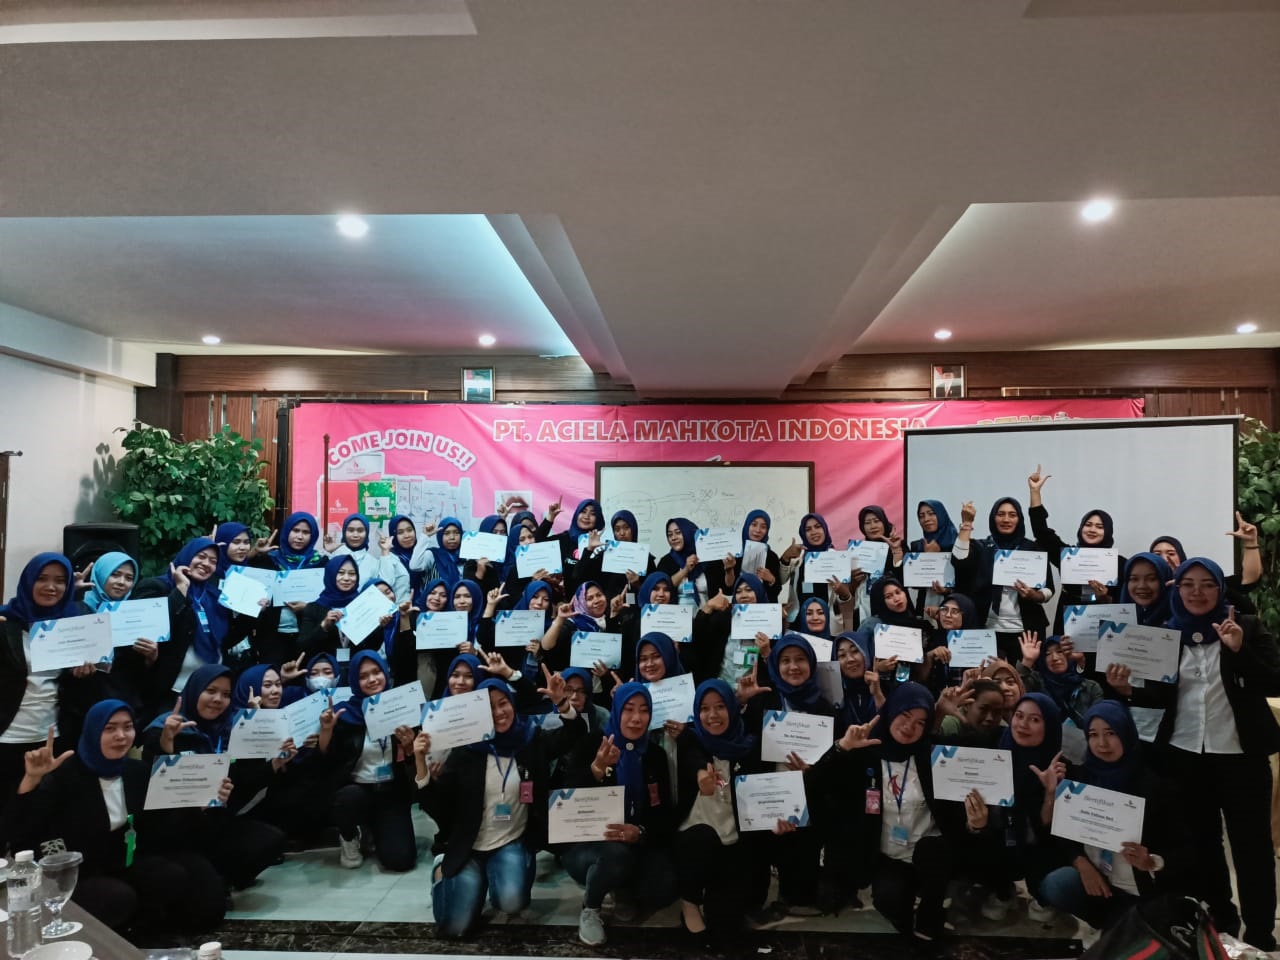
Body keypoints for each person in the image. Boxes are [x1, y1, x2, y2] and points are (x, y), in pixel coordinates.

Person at [1110, 557, 1280, 950]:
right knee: (1203, 846)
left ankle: (1260, 933)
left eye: (1207, 584)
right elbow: (1159, 695)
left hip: (1241, 757)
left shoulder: (1247, 627)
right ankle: (1222, 920)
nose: (1197, 592)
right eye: (1188, 584)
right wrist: (1127, 690)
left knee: (1252, 849)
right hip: (1185, 756)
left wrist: (1238, 649)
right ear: (1177, 589)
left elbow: (1274, 681)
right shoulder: (1166, 635)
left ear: (1220, 588)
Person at [4, 700, 227, 934]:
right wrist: (31, 780)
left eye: (127, 727)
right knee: (117, 897)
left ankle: (142, 930)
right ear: (92, 731)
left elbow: (161, 828)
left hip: (121, 860)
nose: (121, 736)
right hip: (76, 872)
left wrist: (198, 805)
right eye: (109, 729)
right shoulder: (65, 774)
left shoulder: (135, 772)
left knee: (170, 875)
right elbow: (17, 830)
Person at [421, 670, 586, 939]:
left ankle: (501, 872)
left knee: (511, 903)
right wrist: (421, 768)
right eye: (489, 707)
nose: (498, 712)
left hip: (511, 841)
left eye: (503, 703)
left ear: (512, 703)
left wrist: (561, 703)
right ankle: (443, 871)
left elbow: (576, 732)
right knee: (454, 928)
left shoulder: (529, 740)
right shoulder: (466, 750)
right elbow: (439, 808)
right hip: (471, 847)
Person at [1038, 701, 1191, 931]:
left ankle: (1120, 926)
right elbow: (1063, 833)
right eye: (1093, 734)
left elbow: (1186, 851)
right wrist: (1081, 863)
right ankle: (1108, 923)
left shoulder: (1154, 786)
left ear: (1126, 733)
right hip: (1098, 880)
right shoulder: (1082, 778)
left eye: (1111, 733)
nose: (1102, 743)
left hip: (1139, 890)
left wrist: (1151, 861)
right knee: (1057, 885)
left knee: (1132, 932)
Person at [820, 682, 955, 941]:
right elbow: (821, 787)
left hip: (928, 852)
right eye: (905, 715)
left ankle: (931, 909)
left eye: (920, 722)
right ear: (890, 711)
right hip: (888, 855)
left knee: (933, 851)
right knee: (889, 898)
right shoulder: (867, 752)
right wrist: (842, 748)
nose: (909, 727)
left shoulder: (934, 755)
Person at [139, 664, 288, 890]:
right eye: (210, 691)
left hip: (216, 824)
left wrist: (275, 764)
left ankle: (222, 878)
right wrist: (166, 744)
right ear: (194, 690)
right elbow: (155, 793)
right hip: (178, 833)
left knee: (270, 840)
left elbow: (242, 786)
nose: (218, 699)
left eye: (226, 694)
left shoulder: (228, 730)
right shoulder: (164, 729)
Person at [561, 682, 678, 946]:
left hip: (636, 842)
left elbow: (663, 813)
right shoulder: (593, 743)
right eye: (628, 709)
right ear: (616, 710)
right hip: (588, 845)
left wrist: (641, 832)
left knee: (663, 890)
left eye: (644, 710)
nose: (636, 718)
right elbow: (564, 801)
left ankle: (620, 886)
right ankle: (591, 908)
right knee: (616, 856)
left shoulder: (654, 755)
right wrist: (596, 769)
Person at [672, 678, 771, 939]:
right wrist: (699, 775)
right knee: (703, 836)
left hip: (733, 841)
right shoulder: (690, 741)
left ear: (732, 707)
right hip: (694, 840)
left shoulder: (748, 745)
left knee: (727, 925)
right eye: (704, 708)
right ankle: (689, 900)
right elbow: (692, 753)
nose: (712, 715)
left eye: (720, 706)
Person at [0, 552, 100, 798]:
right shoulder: (5, 623)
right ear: (28, 581)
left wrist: (82, 676)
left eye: (60, 581)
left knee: (42, 810)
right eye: (42, 578)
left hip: (52, 737)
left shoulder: (73, 625)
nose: (51, 587)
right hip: (7, 736)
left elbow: (74, 693)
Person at [317, 650, 419, 872]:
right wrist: (326, 731)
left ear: (385, 673)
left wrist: (409, 747)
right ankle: (350, 835)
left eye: (376, 672)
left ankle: (374, 830)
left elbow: (415, 766)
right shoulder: (344, 713)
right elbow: (328, 761)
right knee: (347, 798)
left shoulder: (401, 707)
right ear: (354, 680)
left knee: (400, 860)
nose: (372, 679)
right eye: (363, 676)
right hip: (357, 791)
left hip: (391, 792)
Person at [952, 498, 1054, 663]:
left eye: (1012, 515)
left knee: (1025, 675)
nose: (1006, 519)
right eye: (1001, 514)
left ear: (1019, 519)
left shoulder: (1032, 548)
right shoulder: (982, 547)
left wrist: (1036, 595)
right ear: (993, 518)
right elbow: (959, 560)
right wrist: (967, 523)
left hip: (1026, 631)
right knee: (988, 677)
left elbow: (1048, 588)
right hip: (986, 629)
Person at [1026, 465, 1125, 634]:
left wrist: (1106, 597)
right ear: (1081, 528)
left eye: (1099, 527)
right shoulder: (1068, 556)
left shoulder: (1119, 563)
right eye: (1088, 524)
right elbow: (1041, 533)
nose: (1092, 530)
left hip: (1105, 625)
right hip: (1068, 620)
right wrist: (1035, 492)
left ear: (1108, 532)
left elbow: (1128, 603)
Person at [328, 512, 411, 601]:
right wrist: (333, 551)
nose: (355, 535)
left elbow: (387, 583)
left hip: (363, 607)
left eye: (360, 531)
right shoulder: (336, 555)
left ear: (367, 533)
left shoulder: (373, 562)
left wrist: (385, 550)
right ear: (344, 532)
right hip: (334, 607)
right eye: (351, 530)